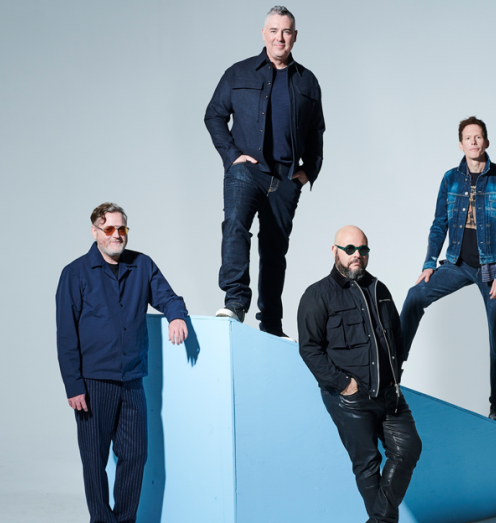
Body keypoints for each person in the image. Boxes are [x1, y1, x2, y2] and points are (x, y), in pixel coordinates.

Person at [56, 202, 189, 523]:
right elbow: (66, 334)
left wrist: (176, 316)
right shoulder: (75, 273)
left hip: (131, 380)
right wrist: (73, 385)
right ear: (95, 232)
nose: (117, 235)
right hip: (92, 383)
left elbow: (168, 297)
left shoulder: (142, 265)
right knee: (94, 460)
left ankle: (125, 520)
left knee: (135, 456)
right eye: (109, 229)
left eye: (122, 228)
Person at [204, 5, 325, 338]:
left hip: (285, 179)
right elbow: (214, 115)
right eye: (273, 31)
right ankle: (235, 301)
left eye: (286, 31)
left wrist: (308, 171)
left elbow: (316, 131)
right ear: (263, 34)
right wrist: (232, 156)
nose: (279, 38)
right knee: (235, 227)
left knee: (275, 251)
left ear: (294, 36)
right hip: (247, 171)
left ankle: (271, 323)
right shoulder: (238, 73)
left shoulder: (307, 81)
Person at [401, 117, 496, 425]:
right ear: (460, 145)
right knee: (415, 296)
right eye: (468, 137)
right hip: (457, 263)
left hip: (491, 268)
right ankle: (394, 371)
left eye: (478, 137)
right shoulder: (450, 179)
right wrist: (429, 263)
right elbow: (439, 223)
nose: (473, 141)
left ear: (486, 142)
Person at [298, 225, 422, 523]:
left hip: (389, 393)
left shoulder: (379, 289)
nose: (357, 255)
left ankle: (379, 521)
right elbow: (309, 349)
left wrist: (395, 376)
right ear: (335, 251)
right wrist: (344, 385)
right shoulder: (317, 295)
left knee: (408, 448)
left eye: (363, 249)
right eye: (350, 249)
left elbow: (396, 338)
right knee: (367, 463)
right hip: (350, 399)